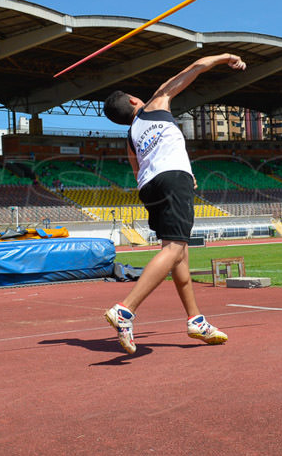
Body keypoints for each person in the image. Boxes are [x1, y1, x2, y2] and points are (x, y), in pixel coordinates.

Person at [101, 53, 246, 354]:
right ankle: (125, 309)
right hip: (170, 179)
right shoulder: (155, 104)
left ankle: (196, 319)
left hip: (150, 186)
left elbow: (137, 170)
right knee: (174, 249)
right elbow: (194, 68)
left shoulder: (131, 136)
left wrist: (181, 174)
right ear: (132, 102)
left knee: (179, 252)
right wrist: (225, 57)